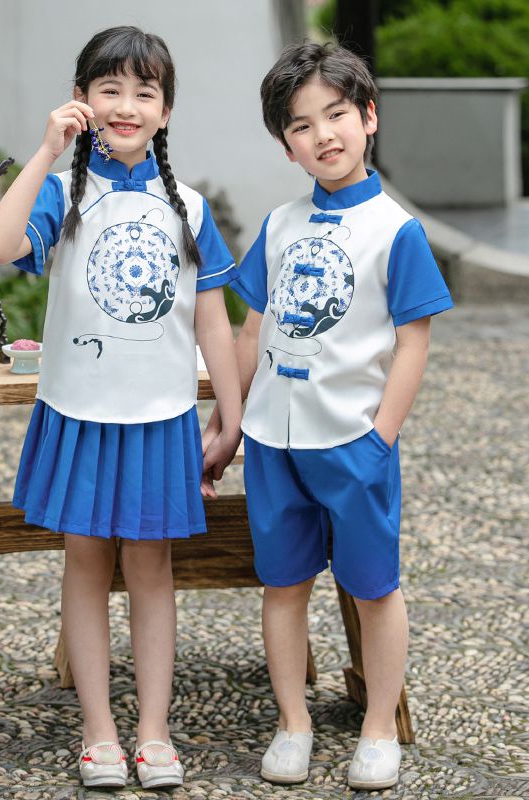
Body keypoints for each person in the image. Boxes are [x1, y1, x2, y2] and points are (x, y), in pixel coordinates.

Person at [0, 26, 241, 791]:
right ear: (84, 99)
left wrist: (230, 417)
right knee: (85, 566)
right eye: (110, 89)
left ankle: (154, 731)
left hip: (161, 416)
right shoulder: (60, 194)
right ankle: (98, 732)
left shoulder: (188, 205)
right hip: (79, 410)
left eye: (145, 92)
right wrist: (44, 150)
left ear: (165, 111)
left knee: (154, 571)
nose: (126, 105)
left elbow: (211, 320)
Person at [207, 41, 453, 790]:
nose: (325, 135)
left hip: (353, 439)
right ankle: (294, 722)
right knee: (282, 583)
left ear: (368, 116)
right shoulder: (280, 225)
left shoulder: (396, 228)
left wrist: (382, 435)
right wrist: (229, 424)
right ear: (287, 145)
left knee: (374, 585)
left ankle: (379, 728)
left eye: (338, 114)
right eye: (303, 126)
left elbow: (415, 340)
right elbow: (252, 330)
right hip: (274, 440)